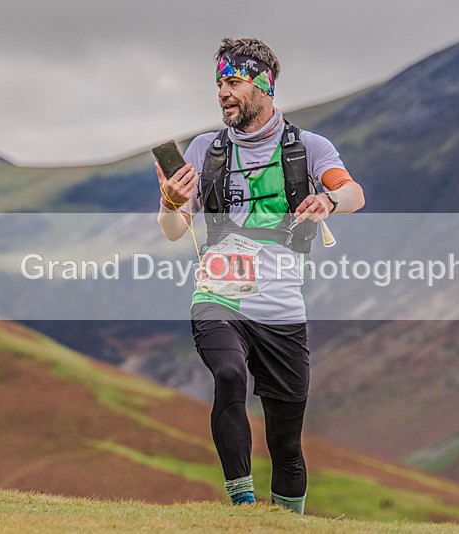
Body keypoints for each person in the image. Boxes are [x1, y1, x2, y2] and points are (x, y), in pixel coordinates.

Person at [155, 37, 364, 514]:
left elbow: (354, 193)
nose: (222, 93)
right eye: (219, 84)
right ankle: (243, 505)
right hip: (218, 294)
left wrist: (328, 200)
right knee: (228, 374)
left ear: (264, 86)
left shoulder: (308, 147)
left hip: (281, 307)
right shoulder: (205, 149)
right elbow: (173, 230)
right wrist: (170, 203)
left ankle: (287, 521)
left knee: (286, 442)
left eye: (233, 82)